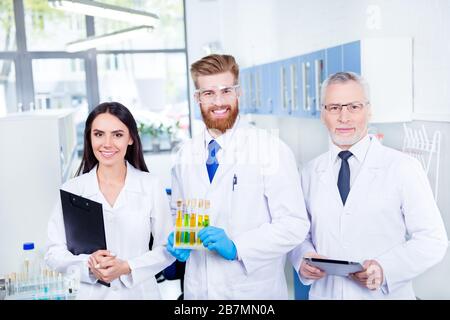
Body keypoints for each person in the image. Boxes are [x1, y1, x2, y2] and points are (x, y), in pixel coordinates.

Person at [289, 72, 448, 299]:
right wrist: (302, 258)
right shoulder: (309, 172)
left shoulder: (403, 167)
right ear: (322, 113)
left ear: (369, 110)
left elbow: (433, 240)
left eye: (354, 107)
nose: (344, 117)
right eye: (334, 107)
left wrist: (385, 269)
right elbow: (298, 234)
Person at [166, 54, 310, 299]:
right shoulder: (184, 155)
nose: (219, 101)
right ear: (197, 98)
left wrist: (238, 247)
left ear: (238, 92)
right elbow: (177, 212)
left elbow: (294, 224)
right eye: (209, 93)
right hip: (198, 291)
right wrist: (176, 238)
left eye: (226, 91)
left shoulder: (270, 149)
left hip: (252, 293)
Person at [45, 102, 175, 299]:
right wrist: (88, 265)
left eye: (117, 134)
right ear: (90, 138)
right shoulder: (73, 189)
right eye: (99, 134)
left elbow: (166, 248)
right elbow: (53, 253)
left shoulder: (150, 185)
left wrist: (127, 267)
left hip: (140, 294)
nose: (107, 143)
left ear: (131, 138)